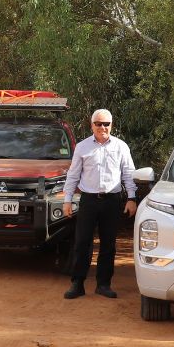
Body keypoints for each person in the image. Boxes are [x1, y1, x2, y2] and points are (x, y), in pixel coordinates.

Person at [60, 109, 137, 299]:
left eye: (106, 124)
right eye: (98, 124)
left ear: (112, 125)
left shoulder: (120, 146)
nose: (102, 127)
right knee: (82, 242)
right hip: (89, 200)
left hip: (112, 200)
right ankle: (77, 284)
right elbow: (73, 175)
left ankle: (103, 284)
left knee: (108, 244)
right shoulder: (83, 147)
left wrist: (132, 198)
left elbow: (129, 174)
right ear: (91, 125)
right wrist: (67, 199)